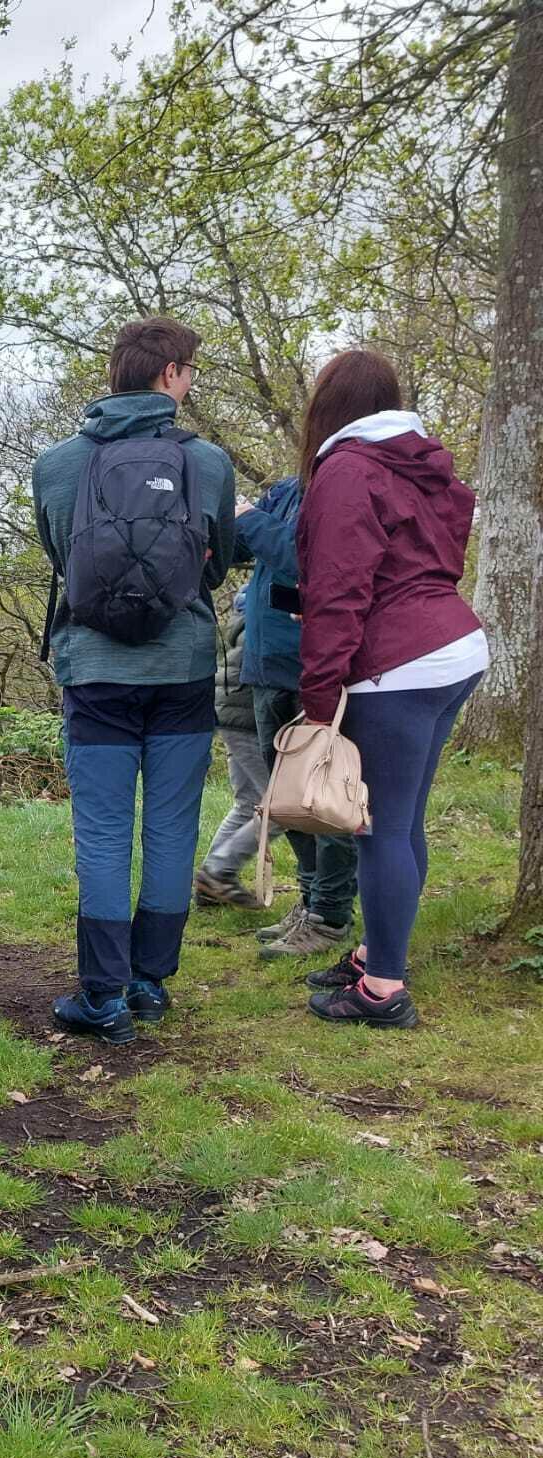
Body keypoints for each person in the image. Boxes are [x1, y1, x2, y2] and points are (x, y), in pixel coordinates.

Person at [33, 316, 235, 1045]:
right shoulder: (207, 462)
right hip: (182, 668)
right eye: (190, 371)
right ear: (170, 374)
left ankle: (102, 995)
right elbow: (216, 564)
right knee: (173, 825)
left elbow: (62, 556)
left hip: (95, 673)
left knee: (104, 830)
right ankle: (150, 982)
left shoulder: (57, 464)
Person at [293, 350, 485, 1030]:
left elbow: (339, 592)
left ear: (328, 407)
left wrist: (319, 699)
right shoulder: (423, 465)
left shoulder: (349, 470)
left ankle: (383, 989)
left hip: (398, 663)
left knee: (378, 828)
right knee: (401, 821)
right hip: (453, 646)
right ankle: (379, 952)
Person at [234, 476, 362, 959]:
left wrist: (249, 519)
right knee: (286, 799)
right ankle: (311, 901)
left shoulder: (340, 488)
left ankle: (330, 915)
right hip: (266, 664)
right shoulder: (287, 489)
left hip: (312, 665)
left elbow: (306, 558)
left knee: (322, 798)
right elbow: (242, 547)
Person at [191, 590, 276, 911]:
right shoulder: (271, 612)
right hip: (246, 717)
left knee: (249, 804)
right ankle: (218, 871)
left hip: (229, 711)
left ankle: (210, 886)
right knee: (281, 807)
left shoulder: (247, 611)